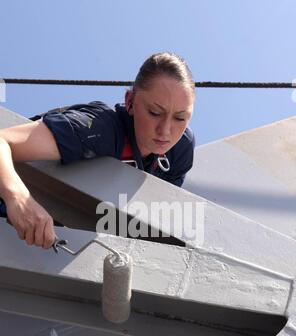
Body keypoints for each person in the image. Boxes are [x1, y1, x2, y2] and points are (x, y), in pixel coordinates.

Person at [0, 52, 195, 249]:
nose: (166, 130)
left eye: (180, 118)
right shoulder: (99, 129)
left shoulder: (181, 151)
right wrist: (19, 200)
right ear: (130, 102)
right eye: (155, 112)